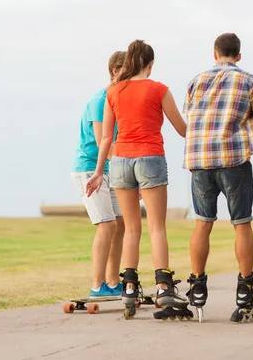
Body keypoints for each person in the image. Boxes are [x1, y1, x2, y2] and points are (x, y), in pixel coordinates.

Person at [182, 33, 253, 323]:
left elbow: (193, 118)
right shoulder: (250, 80)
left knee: (202, 223)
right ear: (239, 55)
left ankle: (196, 287)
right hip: (233, 159)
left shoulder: (195, 81)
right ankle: (246, 290)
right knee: (241, 223)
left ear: (215, 53)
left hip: (199, 161)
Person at [85, 40, 192, 321]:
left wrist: (98, 173)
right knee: (157, 227)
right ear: (150, 63)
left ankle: (129, 286)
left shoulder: (114, 91)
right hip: (150, 158)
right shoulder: (159, 89)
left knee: (131, 229)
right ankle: (163, 285)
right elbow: (182, 129)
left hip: (119, 162)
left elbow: (107, 137)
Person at [71, 51, 126, 298]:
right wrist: (129, 171)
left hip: (106, 170)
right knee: (107, 224)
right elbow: (101, 139)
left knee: (121, 223)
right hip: (88, 170)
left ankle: (113, 282)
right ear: (115, 71)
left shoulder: (116, 100)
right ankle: (97, 285)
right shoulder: (100, 101)